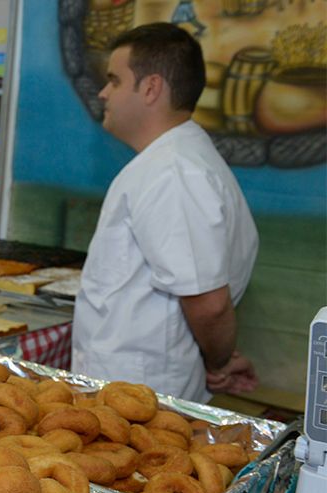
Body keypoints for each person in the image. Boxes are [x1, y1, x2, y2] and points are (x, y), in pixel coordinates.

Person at [73, 23, 259, 403]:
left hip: (139, 396)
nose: (104, 93)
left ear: (151, 87)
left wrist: (220, 363)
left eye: (114, 80)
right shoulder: (170, 162)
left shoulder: (175, 171)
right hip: (132, 386)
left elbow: (208, 302)